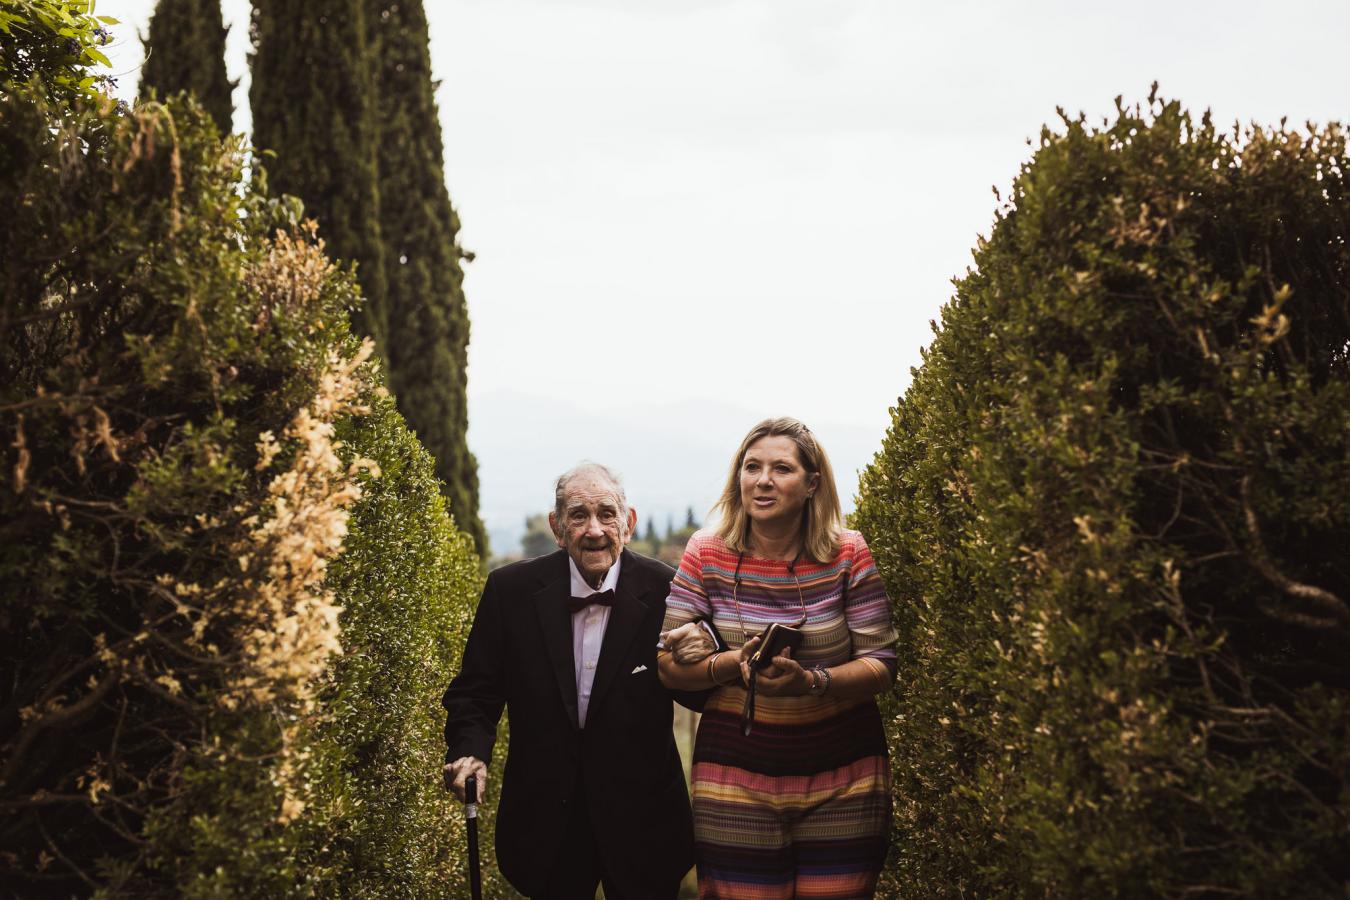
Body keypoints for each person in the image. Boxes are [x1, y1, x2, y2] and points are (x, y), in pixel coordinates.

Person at [657, 417, 897, 899]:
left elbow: (882, 663)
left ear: (812, 484)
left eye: (781, 468)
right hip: (735, 779)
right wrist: (729, 666)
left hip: (843, 777)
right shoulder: (706, 553)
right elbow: (667, 668)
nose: (763, 480)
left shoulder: (848, 553)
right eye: (752, 467)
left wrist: (811, 682)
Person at [442, 463, 695, 899]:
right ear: (557, 528)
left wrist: (709, 656)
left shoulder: (668, 590)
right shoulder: (510, 591)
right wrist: (470, 751)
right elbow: (476, 692)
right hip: (545, 822)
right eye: (578, 515)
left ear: (629, 522)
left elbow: (702, 690)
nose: (594, 529)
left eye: (607, 514)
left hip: (644, 822)